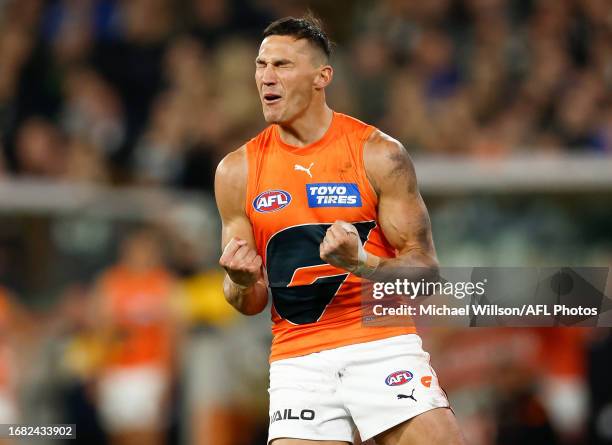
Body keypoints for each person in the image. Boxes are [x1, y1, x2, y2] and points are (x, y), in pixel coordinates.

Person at [215, 14, 466, 445]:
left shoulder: (379, 155)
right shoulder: (237, 171)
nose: (266, 77)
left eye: (282, 65)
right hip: (298, 358)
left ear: (321, 76)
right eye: (261, 65)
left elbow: (426, 273)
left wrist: (362, 263)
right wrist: (238, 281)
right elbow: (249, 301)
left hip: (381, 345)